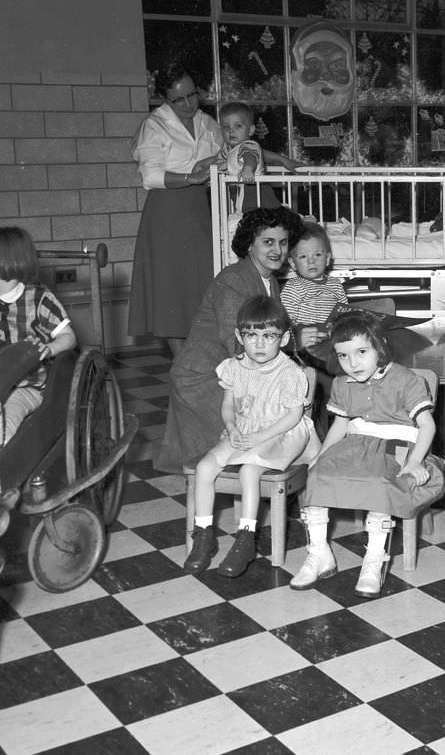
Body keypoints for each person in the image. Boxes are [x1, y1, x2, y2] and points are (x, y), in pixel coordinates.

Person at [290, 313, 445, 598]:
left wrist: (415, 460)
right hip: (359, 440)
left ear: (379, 348)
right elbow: (341, 425)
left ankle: (375, 559)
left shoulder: (405, 379)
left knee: (379, 479)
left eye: (361, 352)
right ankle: (319, 552)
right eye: (344, 356)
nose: (353, 363)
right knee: (319, 474)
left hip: (399, 443)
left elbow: (427, 425)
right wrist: (320, 456)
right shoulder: (342, 383)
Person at [155, 206, 303, 473]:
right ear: (249, 244)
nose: (277, 250)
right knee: (247, 442)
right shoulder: (233, 280)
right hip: (203, 378)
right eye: (268, 242)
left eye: (283, 243)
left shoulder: (269, 281)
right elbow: (235, 344)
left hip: (230, 368)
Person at [183, 296, 319, 578]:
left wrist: (259, 437)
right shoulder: (235, 367)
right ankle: (204, 535)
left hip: (282, 431)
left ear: (282, 339)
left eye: (268, 336)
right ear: (239, 336)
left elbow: (293, 417)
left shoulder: (290, 372)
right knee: (205, 467)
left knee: (249, 471)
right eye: (251, 335)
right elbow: (228, 405)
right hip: (245, 428)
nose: (259, 344)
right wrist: (232, 427)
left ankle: (246, 538)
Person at [129, 61, 223, 356]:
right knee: (171, 289)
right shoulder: (154, 125)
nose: (188, 104)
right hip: (167, 212)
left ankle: (204, 363)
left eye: (192, 95)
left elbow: (229, 154)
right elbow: (151, 176)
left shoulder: (207, 122)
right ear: (164, 99)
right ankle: (182, 368)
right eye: (178, 99)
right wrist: (191, 176)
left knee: (203, 286)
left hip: (202, 210)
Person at [0, 227, 77, 458]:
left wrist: (49, 349)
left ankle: (0, 461)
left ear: (7, 266)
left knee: (5, 417)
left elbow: (68, 337)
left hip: (27, 385)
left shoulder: (39, 298)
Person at [280, 221, 348, 346]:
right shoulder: (293, 287)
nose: (311, 261)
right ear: (293, 263)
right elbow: (285, 322)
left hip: (333, 341)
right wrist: (297, 338)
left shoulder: (335, 284)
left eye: (317, 254)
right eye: (303, 257)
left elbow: (345, 313)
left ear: (327, 259)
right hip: (307, 343)